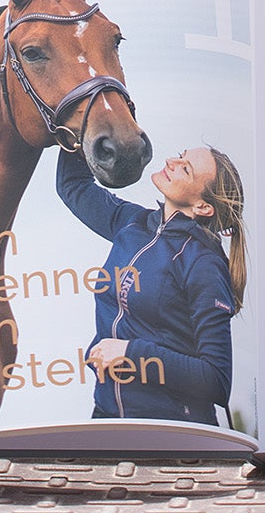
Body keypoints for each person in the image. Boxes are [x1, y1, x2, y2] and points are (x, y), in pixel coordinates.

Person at [56, 141, 247, 425]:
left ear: (203, 206)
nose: (172, 161)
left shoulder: (203, 263)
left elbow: (216, 380)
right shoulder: (132, 223)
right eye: (181, 155)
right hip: (108, 417)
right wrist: (79, 119)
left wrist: (130, 353)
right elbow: (73, 185)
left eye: (186, 169)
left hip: (170, 431)